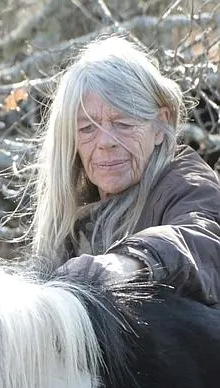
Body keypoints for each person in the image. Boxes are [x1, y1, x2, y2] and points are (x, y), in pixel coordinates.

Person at [30, 36, 220, 305]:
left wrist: (128, 263)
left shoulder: (188, 185)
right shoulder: (77, 212)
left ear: (159, 124)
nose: (106, 141)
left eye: (123, 123)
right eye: (87, 128)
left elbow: (202, 239)